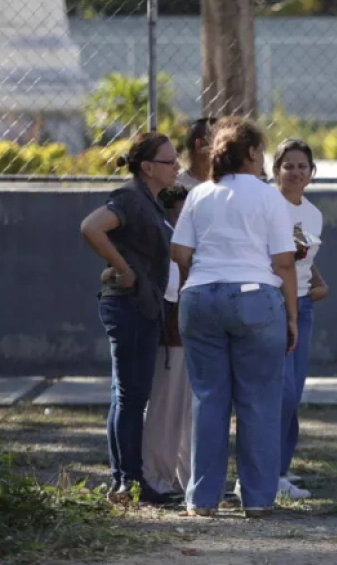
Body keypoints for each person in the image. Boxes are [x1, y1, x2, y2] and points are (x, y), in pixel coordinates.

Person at [172, 118, 298, 518]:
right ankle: (258, 499)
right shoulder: (268, 197)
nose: (263, 158)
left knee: (209, 399)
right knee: (258, 401)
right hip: (255, 298)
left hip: (199, 298)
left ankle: (202, 499)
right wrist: (291, 316)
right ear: (249, 153)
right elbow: (284, 263)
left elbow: (179, 252)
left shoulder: (199, 194)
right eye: (260, 151)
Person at [80, 132, 180, 505]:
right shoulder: (131, 198)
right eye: (170, 162)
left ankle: (124, 480)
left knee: (125, 396)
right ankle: (130, 482)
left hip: (140, 306)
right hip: (129, 306)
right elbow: (91, 226)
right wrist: (122, 269)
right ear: (148, 168)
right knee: (131, 396)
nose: (177, 167)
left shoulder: (151, 202)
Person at [273, 139, 330, 500]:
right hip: (272, 304)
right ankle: (260, 472)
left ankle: (278, 471)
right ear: (275, 168)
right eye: (288, 165)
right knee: (279, 393)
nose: (295, 172)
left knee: (292, 395)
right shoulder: (267, 204)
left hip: (303, 306)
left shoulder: (312, 212)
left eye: (302, 166)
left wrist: (315, 283)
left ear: (312, 172)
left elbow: (303, 259)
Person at [140, 183, 192, 496]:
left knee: (185, 411)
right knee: (165, 407)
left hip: (188, 333)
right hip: (170, 333)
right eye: (182, 211)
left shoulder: (183, 240)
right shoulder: (166, 239)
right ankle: (156, 476)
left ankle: (183, 478)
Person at [177, 117, 217, 190]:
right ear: (199, 145)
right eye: (218, 143)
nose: (224, 149)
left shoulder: (226, 184)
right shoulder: (176, 187)